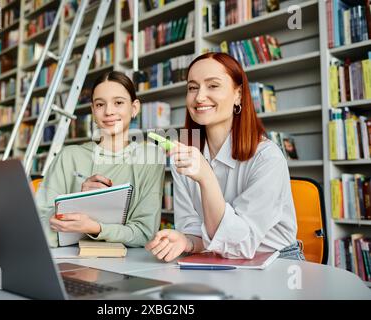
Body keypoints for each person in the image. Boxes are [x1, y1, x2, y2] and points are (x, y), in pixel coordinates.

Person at [146, 52, 303, 261]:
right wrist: (187, 241)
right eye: (193, 87)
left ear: (238, 94)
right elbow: (196, 229)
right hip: (217, 256)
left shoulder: (268, 158)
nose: (200, 97)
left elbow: (241, 245)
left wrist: (206, 177)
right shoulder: (184, 158)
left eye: (213, 85)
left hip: (276, 260)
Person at [36, 71, 165, 248]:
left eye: (118, 102)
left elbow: (145, 233)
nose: (109, 111)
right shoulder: (69, 156)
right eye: (100, 104)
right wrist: (78, 203)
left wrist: (96, 228)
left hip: (127, 265)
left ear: (134, 108)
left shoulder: (150, 160)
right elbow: (37, 224)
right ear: (93, 111)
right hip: (67, 260)